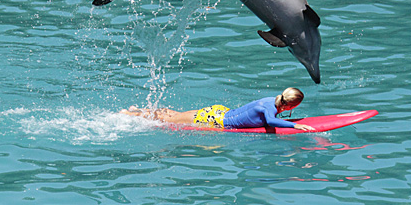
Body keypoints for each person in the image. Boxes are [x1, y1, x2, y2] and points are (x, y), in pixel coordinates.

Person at [121, 87, 315, 131]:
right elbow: (271, 121)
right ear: (290, 105)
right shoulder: (270, 111)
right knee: (170, 120)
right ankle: (131, 114)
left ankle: (138, 110)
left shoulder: (269, 100)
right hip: (216, 120)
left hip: (219, 111)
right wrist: (295, 127)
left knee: (175, 115)